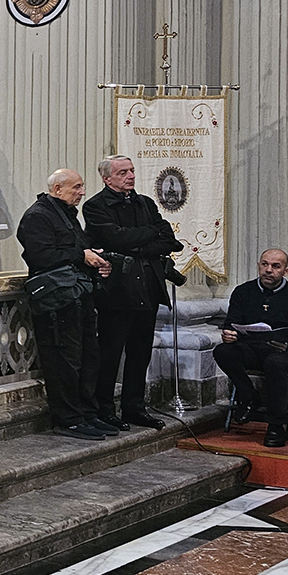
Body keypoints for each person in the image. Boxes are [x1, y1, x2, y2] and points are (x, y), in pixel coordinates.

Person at [82, 155, 184, 431]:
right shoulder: (95, 206)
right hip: (117, 289)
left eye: (131, 170)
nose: (130, 176)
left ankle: (134, 407)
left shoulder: (145, 203)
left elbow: (169, 240)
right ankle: (104, 409)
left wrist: (136, 243)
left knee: (140, 353)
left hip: (148, 286)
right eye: (123, 172)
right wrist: (148, 236)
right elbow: (115, 238)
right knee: (111, 353)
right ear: (107, 179)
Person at [17, 169, 115, 440]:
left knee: (88, 358)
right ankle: (68, 419)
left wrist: (95, 259)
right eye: (77, 187)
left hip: (78, 296)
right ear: (57, 189)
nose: (82, 192)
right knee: (64, 362)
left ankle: (87, 414)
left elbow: (76, 250)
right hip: (56, 303)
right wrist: (81, 255)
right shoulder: (37, 216)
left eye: (82, 187)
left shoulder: (66, 214)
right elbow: (40, 256)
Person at [213, 248, 288, 447]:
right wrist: (229, 335)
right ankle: (249, 395)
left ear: (286, 271)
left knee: (274, 363)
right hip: (251, 348)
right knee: (222, 351)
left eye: (276, 266)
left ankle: (276, 425)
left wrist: (287, 344)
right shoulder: (243, 292)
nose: (269, 270)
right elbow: (231, 324)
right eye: (265, 264)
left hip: (283, 352)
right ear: (259, 266)